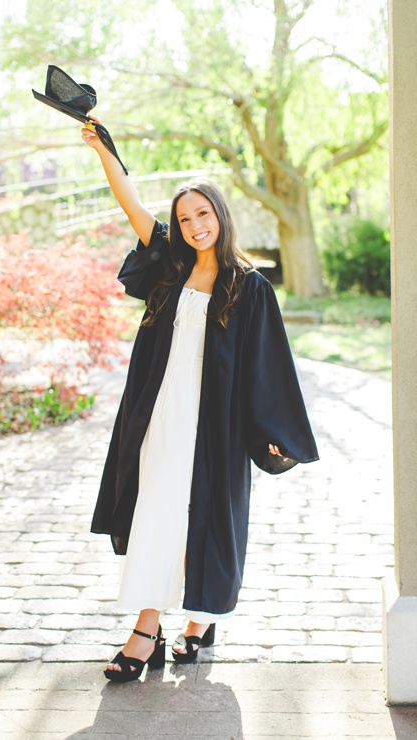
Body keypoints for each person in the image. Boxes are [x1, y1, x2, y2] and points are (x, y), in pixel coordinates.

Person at [82, 115, 320, 682]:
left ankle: (198, 620)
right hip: (162, 413)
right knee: (155, 510)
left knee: (209, 517)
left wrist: (270, 430)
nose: (193, 225)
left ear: (221, 216)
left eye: (202, 214)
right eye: (184, 218)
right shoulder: (169, 267)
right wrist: (102, 148)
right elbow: (130, 201)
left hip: (216, 423)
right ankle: (146, 628)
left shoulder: (250, 285)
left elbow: (269, 364)